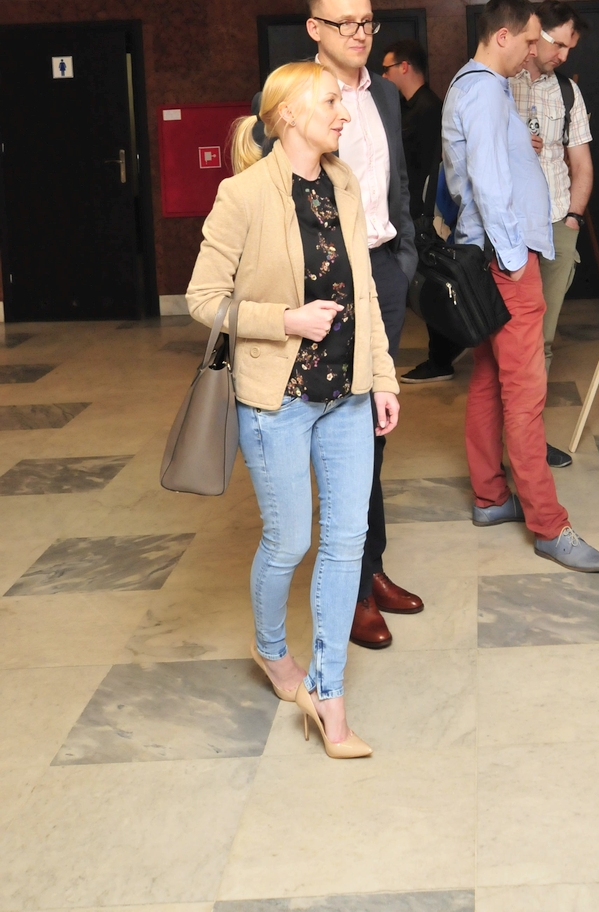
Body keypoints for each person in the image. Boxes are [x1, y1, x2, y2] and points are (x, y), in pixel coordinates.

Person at [186, 62, 400, 759]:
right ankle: (272, 649)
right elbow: (203, 300)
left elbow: (365, 293)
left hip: (347, 395)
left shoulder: (344, 184)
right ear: (287, 114)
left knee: (346, 542)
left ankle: (329, 697)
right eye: (331, 101)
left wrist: (384, 378)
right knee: (290, 542)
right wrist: (286, 321)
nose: (344, 112)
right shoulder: (243, 194)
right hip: (275, 400)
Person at [442, 0, 599, 573]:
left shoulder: (474, 86)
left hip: (492, 255)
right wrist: (516, 259)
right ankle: (548, 524)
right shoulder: (486, 92)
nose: (536, 51)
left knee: (490, 378)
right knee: (525, 392)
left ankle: (491, 497)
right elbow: (489, 183)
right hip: (506, 261)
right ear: (504, 36)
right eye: (532, 39)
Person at [303, 0, 423, 649]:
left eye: (367, 22)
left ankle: (370, 567)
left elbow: (395, 183)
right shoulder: (298, 95)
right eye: (343, 22)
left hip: (385, 271)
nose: (358, 34)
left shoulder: (383, 95)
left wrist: (403, 257)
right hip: (333, 283)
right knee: (344, 436)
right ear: (315, 29)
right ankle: (348, 590)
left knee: (375, 428)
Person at [509, 0, 594, 469]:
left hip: (558, 226)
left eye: (569, 48)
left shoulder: (568, 92)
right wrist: (512, 140)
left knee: (542, 341)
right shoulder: (498, 82)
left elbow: (581, 163)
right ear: (535, 33)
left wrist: (573, 219)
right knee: (508, 342)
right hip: (509, 233)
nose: (563, 55)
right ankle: (509, 440)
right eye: (558, 44)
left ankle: (530, 441)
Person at [381, 38, 464, 386]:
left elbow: (432, 168)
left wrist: (424, 216)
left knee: (430, 284)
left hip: (425, 213)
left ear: (404, 67)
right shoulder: (410, 107)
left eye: (386, 69)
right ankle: (444, 351)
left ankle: (441, 357)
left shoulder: (429, 109)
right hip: (413, 211)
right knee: (426, 285)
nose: (383, 76)